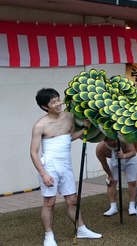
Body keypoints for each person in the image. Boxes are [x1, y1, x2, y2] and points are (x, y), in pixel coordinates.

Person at [29, 88, 102, 246]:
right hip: (49, 166)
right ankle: (48, 235)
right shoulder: (40, 125)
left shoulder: (69, 116)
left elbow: (69, 138)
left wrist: (85, 129)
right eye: (53, 102)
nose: (58, 103)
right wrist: (43, 174)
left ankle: (81, 228)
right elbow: (33, 153)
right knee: (50, 202)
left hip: (66, 165)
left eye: (58, 99)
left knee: (72, 201)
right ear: (44, 106)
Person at [95, 137, 137, 216]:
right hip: (113, 161)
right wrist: (110, 175)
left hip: (129, 159)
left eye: (113, 139)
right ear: (104, 140)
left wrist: (124, 156)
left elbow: (133, 152)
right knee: (111, 183)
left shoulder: (124, 139)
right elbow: (104, 164)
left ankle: (132, 206)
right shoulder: (100, 149)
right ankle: (113, 206)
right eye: (109, 141)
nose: (112, 142)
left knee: (132, 182)